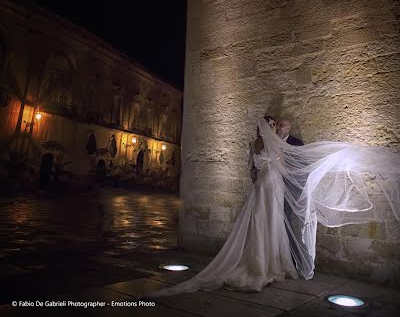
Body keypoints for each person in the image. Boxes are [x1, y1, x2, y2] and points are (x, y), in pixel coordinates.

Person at [145, 115, 400, 298]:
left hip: (263, 185)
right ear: (268, 129)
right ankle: (269, 263)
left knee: (263, 220)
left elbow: (252, 169)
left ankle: (264, 259)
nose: (275, 128)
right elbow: (280, 166)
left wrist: (261, 177)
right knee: (271, 221)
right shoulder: (271, 146)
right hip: (273, 184)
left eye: (278, 126)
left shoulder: (255, 145)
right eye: (273, 125)